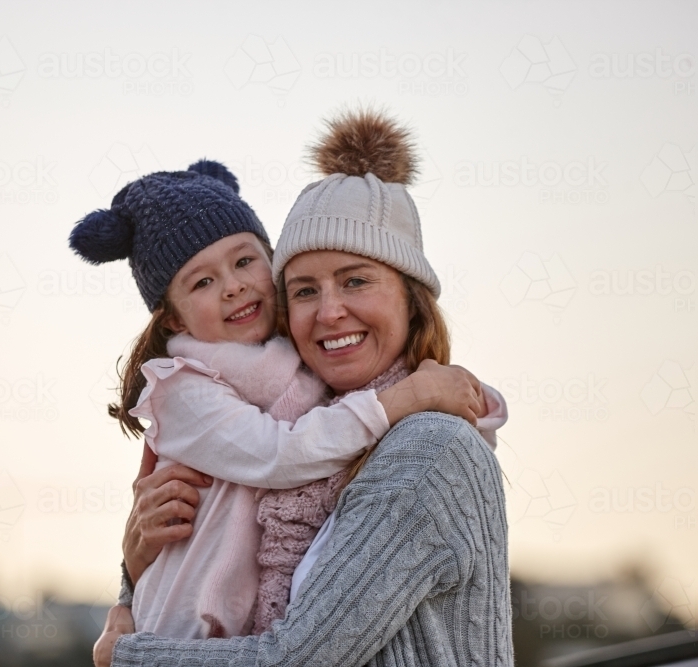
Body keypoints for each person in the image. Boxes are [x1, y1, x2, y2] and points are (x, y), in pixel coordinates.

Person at [95, 109, 514, 666]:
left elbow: (298, 658)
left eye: (356, 280)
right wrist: (133, 569)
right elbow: (210, 541)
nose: (330, 312)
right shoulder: (315, 416)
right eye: (305, 291)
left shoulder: (425, 448)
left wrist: (123, 657)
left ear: (412, 297)